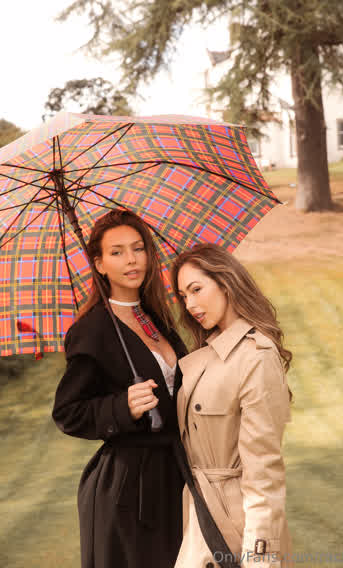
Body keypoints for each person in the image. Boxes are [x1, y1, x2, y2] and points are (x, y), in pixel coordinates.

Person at [52, 209, 187, 568]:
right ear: (99, 264)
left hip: (175, 475)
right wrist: (120, 407)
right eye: (117, 252)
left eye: (138, 248)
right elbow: (67, 412)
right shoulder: (92, 330)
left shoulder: (158, 318)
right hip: (128, 490)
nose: (131, 259)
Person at [170, 243, 294, 568]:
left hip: (237, 525)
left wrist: (260, 556)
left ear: (225, 283)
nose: (190, 304)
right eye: (183, 296)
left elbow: (263, 470)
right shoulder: (206, 356)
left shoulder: (256, 356)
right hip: (200, 513)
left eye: (196, 289)